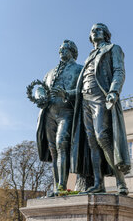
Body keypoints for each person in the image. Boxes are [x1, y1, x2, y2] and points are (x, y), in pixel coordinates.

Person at [71, 23, 131, 195]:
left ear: (105, 34)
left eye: (99, 29)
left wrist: (114, 90)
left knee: (102, 137)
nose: (95, 31)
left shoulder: (113, 48)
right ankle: (98, 183)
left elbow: (119, 71)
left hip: (100, 96)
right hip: (85, 100)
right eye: (92, 30)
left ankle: (121, 182)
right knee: (92, 143)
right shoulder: (88, 57)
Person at [36, 40, 82, 196]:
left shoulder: (79, 70)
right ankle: (57, 188)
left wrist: (67, 94)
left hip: (66, 112)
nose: (61, 52)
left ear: (73, 51)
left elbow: (84, 91)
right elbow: (41, 88)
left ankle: (62, 186)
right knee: (53, 150)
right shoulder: (49, 73)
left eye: (65, 49)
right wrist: (40, 95)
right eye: (60, 49)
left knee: (62, 144)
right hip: (49, 113)